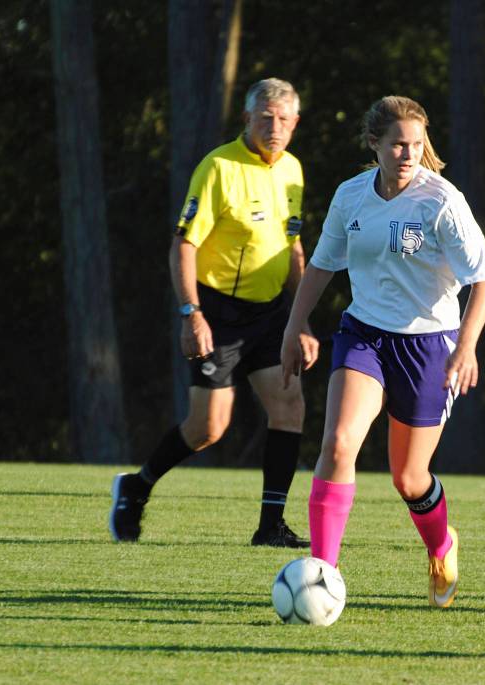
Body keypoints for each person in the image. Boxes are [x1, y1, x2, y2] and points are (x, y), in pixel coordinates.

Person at [282, 96, 485, 609]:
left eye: (416, 144)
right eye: (398, 144)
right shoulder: (350, 196)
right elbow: (322, 266)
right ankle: (323, 572)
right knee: (338, 444)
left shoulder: (441, 201)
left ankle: (441, 546)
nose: (408, 153)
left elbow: (484, 280)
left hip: (429, 345)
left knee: (409, 478)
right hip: (364, 334)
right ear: (373, 142)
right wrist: (294, 327)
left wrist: (466, 347)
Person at [109, 78, 318, 548]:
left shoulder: (293, 170)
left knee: (290, 407)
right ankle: (137, 486)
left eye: (284, 120)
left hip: (269, 314)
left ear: (295, 123)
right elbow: (183, 244)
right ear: (247, 119)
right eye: (265, 117)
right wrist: (192, 313)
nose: (275, 127)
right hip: (219, 313)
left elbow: (292, 245)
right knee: (208, 428)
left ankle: (270, 526)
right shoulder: (218, 167)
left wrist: (301, 320)